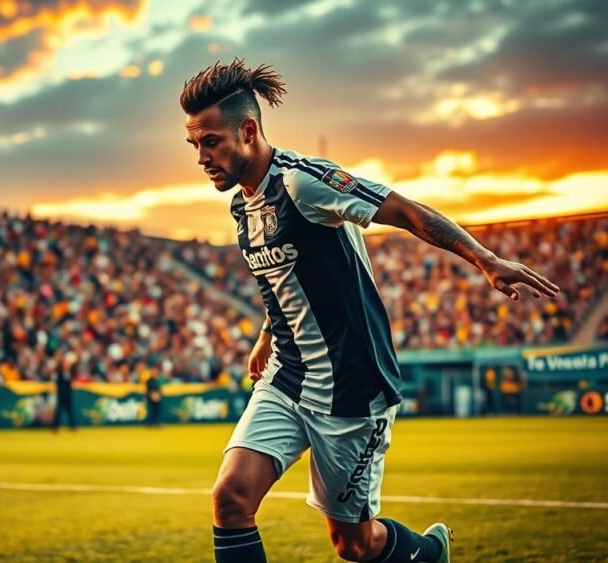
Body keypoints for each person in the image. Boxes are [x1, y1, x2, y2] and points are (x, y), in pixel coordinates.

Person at [179, 59, 560, 563]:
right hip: (288, 377)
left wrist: (486, 260)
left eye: (211, 142)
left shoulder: (304, 181)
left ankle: (426, 553)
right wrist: (268, 333)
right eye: (195, 145)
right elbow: (289, 278)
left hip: (352, 386)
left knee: (353, 544)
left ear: (248, 131)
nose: (202, 156)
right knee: (230, 499)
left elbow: (404, 211)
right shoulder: (241, 206)